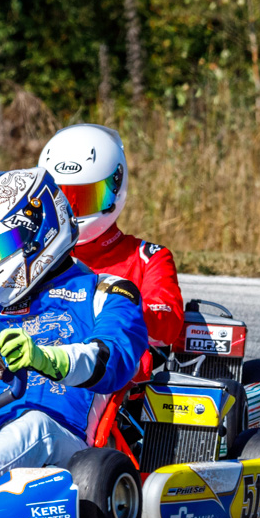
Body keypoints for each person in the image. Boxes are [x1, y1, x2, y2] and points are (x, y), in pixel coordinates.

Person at [0, 167, 148, 488]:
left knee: (33, 427)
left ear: (38, 231)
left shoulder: (107, 292)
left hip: (68, 446)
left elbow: (112, 360)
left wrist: (43, 358)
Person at [38, 123, 184, 370]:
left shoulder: (148, 258)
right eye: (62, 200)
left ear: (116, 189)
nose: (73, 210)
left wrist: (110, 308)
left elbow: (167, 325)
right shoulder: (34, 257)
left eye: (86, 197)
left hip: (115, 379)